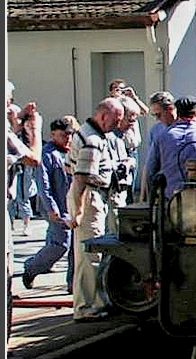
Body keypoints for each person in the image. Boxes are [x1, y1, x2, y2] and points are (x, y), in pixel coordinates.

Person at [66, 97, 124, 322]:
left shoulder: (92, 135)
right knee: (90, 253)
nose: (117, 124)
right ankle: (85, 306)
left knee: (95, 252)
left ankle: (96, 302)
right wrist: (79, 211)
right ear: (103, 116)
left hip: (91, 194)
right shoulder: (92, 139)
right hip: (89, 196)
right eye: (115, 119)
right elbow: (81, 177)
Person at [22, 117, 77, 292]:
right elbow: (43, 185)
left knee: (76, 249)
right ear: (53, 135)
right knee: (60, 245)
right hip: (57, 208)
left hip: (74, 206)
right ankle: (31, 268)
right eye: (63, 135)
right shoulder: (48, 154)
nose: (67, 139)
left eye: (69, 135)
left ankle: (73, 284)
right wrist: (51, 208)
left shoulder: (72, 151)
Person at [145, 96, 196, 202]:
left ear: (177, 112)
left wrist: (153, 196)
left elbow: (151, 170)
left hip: (169, 200)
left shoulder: (161, 137)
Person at [8, 99, 43, 235]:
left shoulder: (21, 136)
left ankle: (26, 223)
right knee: (12, 199)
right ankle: (10, 225)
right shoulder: (9, 133)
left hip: (22, 167)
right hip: (15, 167)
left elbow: (33, 159)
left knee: (23, 195)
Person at [106, 98, 140, 233]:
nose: (132, 125)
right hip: (111, 191)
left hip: (121, 189)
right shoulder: (109, 137)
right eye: (130, 120)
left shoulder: (123, 136)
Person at [139, 91, 177, 203]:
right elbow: (150, 165)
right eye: (154, 115)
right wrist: (145, 196)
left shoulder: (190, 128)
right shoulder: (156, 131)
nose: (157, 119)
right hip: (164, 189)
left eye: (158, 115)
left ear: (170, 109)